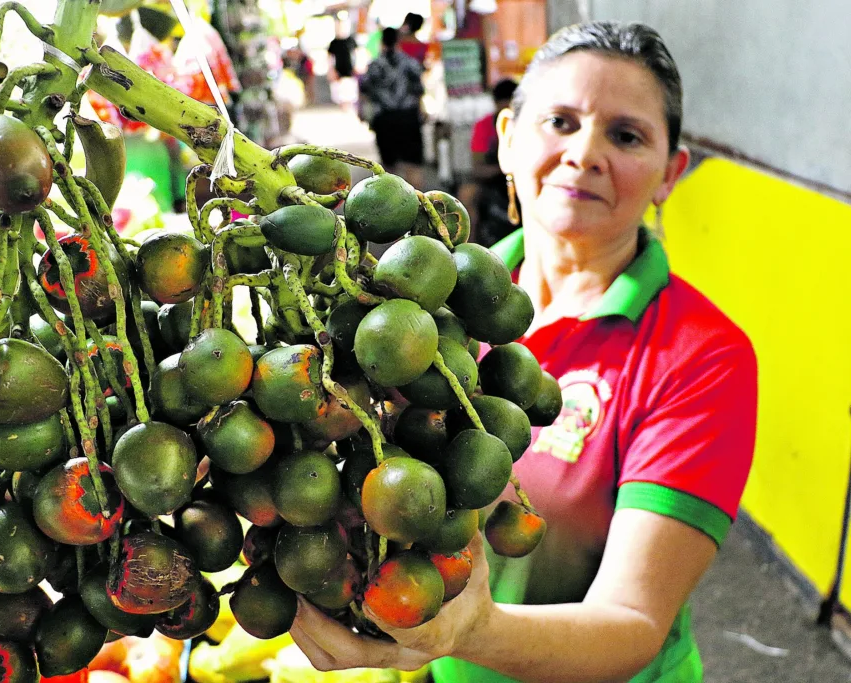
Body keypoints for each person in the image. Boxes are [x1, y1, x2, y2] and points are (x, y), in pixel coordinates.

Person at [290, 21, 758, 683]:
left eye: (625, 135)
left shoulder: (703, 355)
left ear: (669, 172)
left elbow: (633, 622)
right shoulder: (420, 309)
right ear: (506, 140)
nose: (584, 153)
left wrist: (474, 631)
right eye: (560, 121)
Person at [360, 27, 425, 188]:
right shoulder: (410, 63)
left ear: (382, 41)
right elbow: (419, 91)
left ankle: (396, 204)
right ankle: (419, 206)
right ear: (398, 41)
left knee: (389, 168)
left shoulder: (374, 65)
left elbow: (365, 91)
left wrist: (364, 113)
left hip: (384, 119)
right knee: (413, 165)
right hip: (408, 117)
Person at [462, 78, 519, 247]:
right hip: (495, 178)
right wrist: (503, 168)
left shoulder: (528, 122)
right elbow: (478, 168)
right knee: (467, 195)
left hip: (521, 176)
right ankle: (469, 247)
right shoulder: (484, 125)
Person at [327, 21, 358, 111]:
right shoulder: (334, 43)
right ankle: (343, 105)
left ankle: (349, 104)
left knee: (349, 89)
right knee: (340, 90)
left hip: (350, 70)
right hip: (338, 70)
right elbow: (330, 58)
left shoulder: (351, 40)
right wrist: (331, 70)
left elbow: (356, 53)